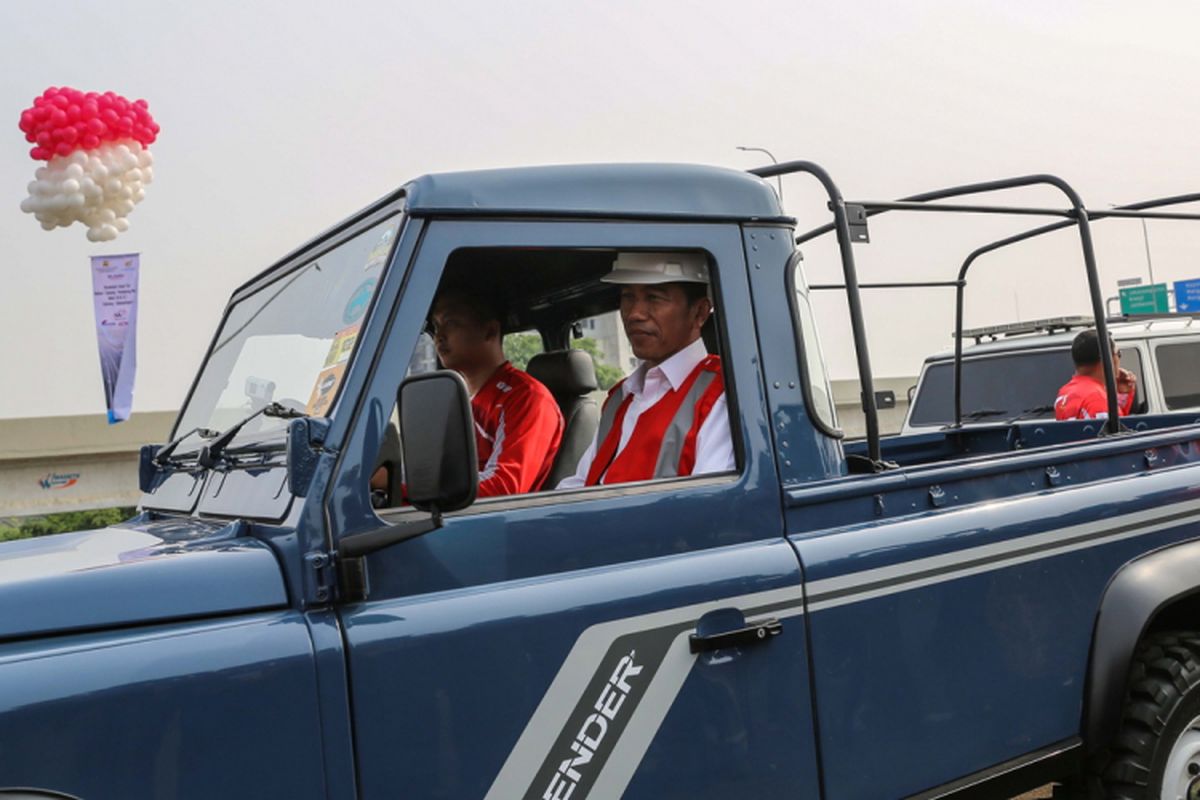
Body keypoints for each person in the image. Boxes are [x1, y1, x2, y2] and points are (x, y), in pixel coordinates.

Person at [558, 252, 734, 489]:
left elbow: (706, 506)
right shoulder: (619, 397)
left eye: (654, 298)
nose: (634, 314)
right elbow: (580, 485)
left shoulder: (722, 395)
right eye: (627, 297)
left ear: (699, 313)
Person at [375, 287, 564, 498]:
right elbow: (436, 472)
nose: (439, 336)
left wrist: (396, 488)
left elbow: (504, 488)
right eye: (436, 326)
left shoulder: (526, 398)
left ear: (490, 331)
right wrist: (391, 477)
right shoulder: (459, 401)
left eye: (451, 323)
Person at [1054, 329, 1137, 421]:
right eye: (1118, 354)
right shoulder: (1097, 398)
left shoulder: (1064, 393)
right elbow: (1114, 434)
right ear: (1107, 358)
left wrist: (1121, 395)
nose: (1119, 358)